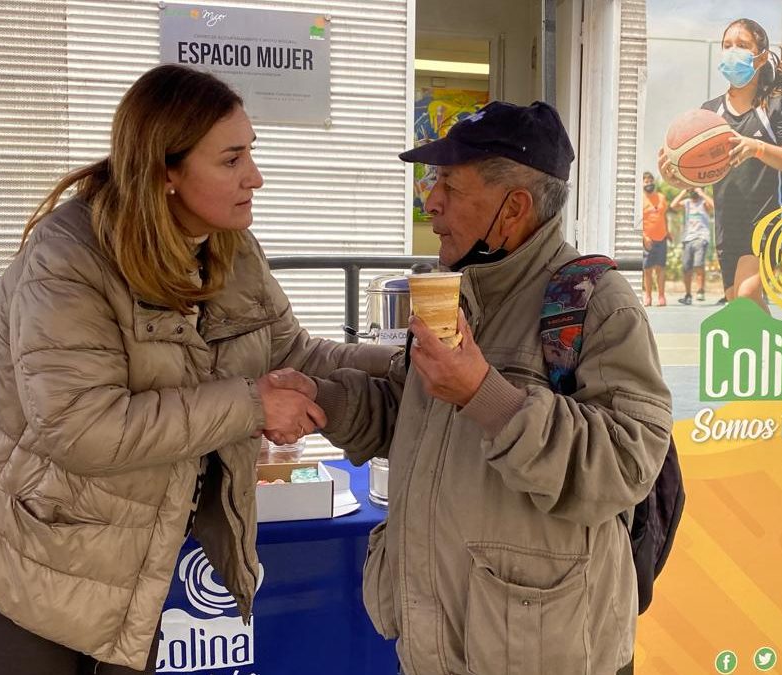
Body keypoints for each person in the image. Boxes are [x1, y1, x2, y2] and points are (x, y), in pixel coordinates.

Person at [0, 64, 396, 674]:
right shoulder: (67, 260)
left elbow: (293, 355)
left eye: (252, 154)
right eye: (231, 160)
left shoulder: (230, 246)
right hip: (28, 551)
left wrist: (409, 363)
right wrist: (252, 405)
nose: (256, 178)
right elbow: (79, 427)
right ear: (166, 170)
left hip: (133, 554)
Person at [274, 101, 673, 675]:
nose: (430, 202)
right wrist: (323, 399)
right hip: (439, 646)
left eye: (450, 187)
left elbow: (626, 465)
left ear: (513, 208)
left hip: (543, 653)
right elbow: (410, 414)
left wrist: (485, 393)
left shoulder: (595, 303)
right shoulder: (454, 293)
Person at [659, 17, 782, 312]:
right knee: (738, 308)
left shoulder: (773, 105)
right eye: (727, 45)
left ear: (760, 56)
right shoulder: (709, 114)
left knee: (747, 295)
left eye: (742, 45)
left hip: (766, 220)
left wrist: (758, 148)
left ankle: (772, 354)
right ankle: (768, 354)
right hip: (728, 225)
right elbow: (705, 174)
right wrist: (678, 179)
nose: (732, 51)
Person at [671, 187, 714, 304]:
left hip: (701, 237)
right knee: (686, 268)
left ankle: (700, 291)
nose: (694, 191)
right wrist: (684, 191)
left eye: (696, 189)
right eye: (693, 189)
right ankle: (688, 295)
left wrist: (702, 193)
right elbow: (673, 205)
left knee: (698, 264)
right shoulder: (687, 203)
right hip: (687, 239)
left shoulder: (704, 203)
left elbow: (714, 206)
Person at [641, 171, 671, 306]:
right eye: (646, 181)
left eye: (651, 181)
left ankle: (661, 296)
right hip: (648, 240)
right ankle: (648, 296)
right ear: (642, 183)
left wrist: (668, 232)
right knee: (647, 270)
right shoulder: (640, 200)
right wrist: (644, 237)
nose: (649, 184)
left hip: (662, 238)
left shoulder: (661, 198)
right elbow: (638, 222)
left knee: (660, 268)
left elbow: (664, 217)